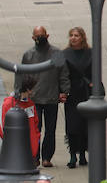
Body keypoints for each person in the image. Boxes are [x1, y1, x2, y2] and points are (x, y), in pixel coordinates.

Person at [16, 26, 69, 167]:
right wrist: (20, 93)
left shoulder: (57, 53)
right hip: (34, 100)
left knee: (50, 130)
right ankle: (35, 156)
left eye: (42, 35)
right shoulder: (28, 55)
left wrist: (65, 91)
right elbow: (21, 75)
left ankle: (47, 157)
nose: (40, 38)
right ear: (33, 38)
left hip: (51, 98)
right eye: (37, 35)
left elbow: (63, 74)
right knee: (35, 130)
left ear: (48, 35)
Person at [62, 27, 93, 168]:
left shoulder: (90, 53)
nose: (73, 38)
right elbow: (61, 74)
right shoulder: (65, 54)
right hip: (72, 92)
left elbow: (95, 71)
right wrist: (62, 91)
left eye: (76, 35)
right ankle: (72, 154)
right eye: (71, 35)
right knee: (72, 125)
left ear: (82, 37)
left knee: (85, 124)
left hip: (87, 92)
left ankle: (82, 154)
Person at [0, 76, 41, 162]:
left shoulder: (30, 104)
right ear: (28, 89)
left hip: (28, 149)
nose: (33, 92)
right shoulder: (9, 104)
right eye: (32, 89)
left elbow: (35, 123)